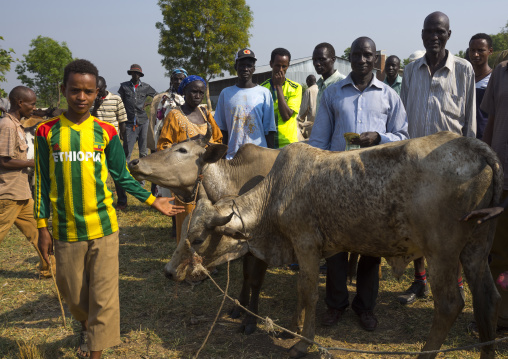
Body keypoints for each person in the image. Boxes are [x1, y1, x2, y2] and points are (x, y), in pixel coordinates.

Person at [35, 59, 184, 359]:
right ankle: (85, 325)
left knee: (103, 297)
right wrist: (42, 226)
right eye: (75, 90)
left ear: (97, 95)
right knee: (75, 297)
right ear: (63, 90)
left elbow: (122, 177)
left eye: (88, 92)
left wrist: (153, 200)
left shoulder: (106, 132)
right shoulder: (46, 132)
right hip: (66, 230)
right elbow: (42, 181)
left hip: (104, 227)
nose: (81, 97)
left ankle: (95, 350)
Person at [309, 37, 409, 331]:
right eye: (356, 55)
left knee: (371, 250)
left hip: (375, 186)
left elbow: (403, 136)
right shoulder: (332, 95)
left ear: (375, 58)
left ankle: (365, 307)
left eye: (368, 55)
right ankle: (336, 305)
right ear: (348, 58)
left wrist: (380, 138)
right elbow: (318, 141)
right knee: (335, 249)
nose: (362, 60)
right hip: (337, 183)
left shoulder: (389, 95)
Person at [398, 11, 476, 306]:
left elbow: (469, 124)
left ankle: (454, 285)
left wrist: (470, 166)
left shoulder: (464, 70)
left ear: (448, 35)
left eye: (440, 32)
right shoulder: (410, 70)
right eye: (429, 31)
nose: (434, 36)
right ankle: (420, 282)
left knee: (452, 226)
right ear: (422, 34)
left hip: (451, 165)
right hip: (415, 164)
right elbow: (402, 119)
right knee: (416, 224)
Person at [463, 58, 508, 331]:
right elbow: (490, 121)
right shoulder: (501, 71)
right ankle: (500, 315)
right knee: (498, 251)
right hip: (502, 175)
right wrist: (487, 164)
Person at [157, 75, 222, 242]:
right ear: (184, 91)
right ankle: (185, 257)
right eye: (193, 91)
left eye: (201, 92)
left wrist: (206, 146)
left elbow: (218, 138)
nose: (197, 96)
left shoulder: (205, 113)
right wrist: (187, 144)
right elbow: (164, 147)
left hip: (207, 176)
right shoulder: (174, 116)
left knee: (206, 215)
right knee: (187, 217)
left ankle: (205, 259)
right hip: (184, 179)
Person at [0, 86, 52, 278]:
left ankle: (51, 270)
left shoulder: (17, 125)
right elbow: (3, 160)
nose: (34, 108)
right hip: (7, 194)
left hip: (21, 193)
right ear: (20, 103)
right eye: (31, 104)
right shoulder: (7, 126)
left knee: (40, 232)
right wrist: (33, 162)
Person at [214, 48, 276, 159]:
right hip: (232, 157)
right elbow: (221, 129)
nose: (245, 69)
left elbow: (269, 130)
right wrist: (222, 157)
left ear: (254, 68)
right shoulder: (226, 93)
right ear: (235, 67)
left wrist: (271, 157)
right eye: (242, 65)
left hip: (259, 156)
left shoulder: (264, 93)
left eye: (249, 65)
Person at [117, 64, 157, 210]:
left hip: (143, 121)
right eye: (133, 73)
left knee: (143, 153)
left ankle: (141, 181)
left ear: (140, 76)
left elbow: (157, 96)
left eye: (137, 74)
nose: (135, 76)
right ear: (130, 74)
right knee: (126, 153)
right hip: (128, 123)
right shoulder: (124, 87)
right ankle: (127, 181)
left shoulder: (146, 87)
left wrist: (148, 103)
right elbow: (119, 102)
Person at [261, 48, 302, 148]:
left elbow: (286, 116)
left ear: (288, 66)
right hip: (267, 144)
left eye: (284, 66)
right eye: (277, 65)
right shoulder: (261, 89)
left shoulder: (295, 88)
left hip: (289, 144)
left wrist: (278, 86)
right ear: (271, 64)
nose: (280, 70)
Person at [469, 33, 493, 140]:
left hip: (487, 139)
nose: (476, 54)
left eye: (480, 50)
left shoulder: (494, 79)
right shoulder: (463, 78)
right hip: (464, 140)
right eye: (472, 50)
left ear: (490, 51)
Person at [312, 42, 346, 111]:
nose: (317, 64)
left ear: (333, 60)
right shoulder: (320, 84)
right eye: (314, 60)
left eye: (322, 59)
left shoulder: (342, 83)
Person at [297, 75, 318, 139]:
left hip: (311, 121)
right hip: (320, 118)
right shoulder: (320, 88)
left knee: (311, 139)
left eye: (306, 82)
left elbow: (304, 108)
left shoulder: (308, 90)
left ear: (308, 81)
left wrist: (300, 119)